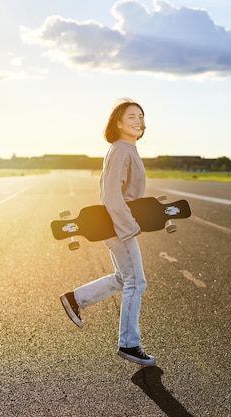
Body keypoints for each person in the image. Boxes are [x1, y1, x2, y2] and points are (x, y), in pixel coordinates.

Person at [60, 98, 155, 366]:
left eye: (141, 116)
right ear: (118, 123)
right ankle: (129, 343)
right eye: (132, 117)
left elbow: (126, 194)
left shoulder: (127, 149)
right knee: (137, 282)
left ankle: (75, 299)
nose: (139, 121)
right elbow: (112, 195)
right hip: (118, 226)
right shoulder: (122, 149)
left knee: (125, 279)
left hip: (118, 223)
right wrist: (129, 228)